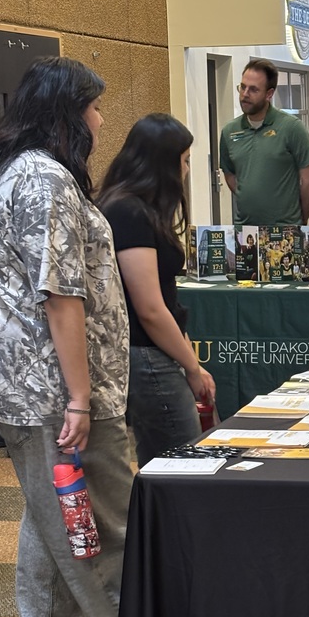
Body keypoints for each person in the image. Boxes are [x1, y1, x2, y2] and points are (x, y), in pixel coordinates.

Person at [0, 56, 134, 617]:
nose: (100, 119)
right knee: (102, 530)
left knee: (48, 515)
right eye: (92, 107)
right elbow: (61, 295)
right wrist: (81, 399)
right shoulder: (45, 182)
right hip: (57, 397)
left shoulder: (4, 174)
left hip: (25, 391)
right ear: (66, 114)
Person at [98, 113, 216, 467]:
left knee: (166, 458)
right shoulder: (128, 212)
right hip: (146, 354)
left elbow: (164, 297)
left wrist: (189, 359)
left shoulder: (138, 208)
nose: (187, 170)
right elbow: (149, 308)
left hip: (154, 351)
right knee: (184, 459)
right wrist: (192, 367)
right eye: (184, 161)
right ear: (163, 164)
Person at [220, 58, 309, 226]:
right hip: (245, 229)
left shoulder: (291, 128)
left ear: (269, 94)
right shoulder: (229, 132)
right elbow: (230, 174)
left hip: (285, 229)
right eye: (242, 87)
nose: (245, 94)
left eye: (253, 90)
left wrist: (299, 220)